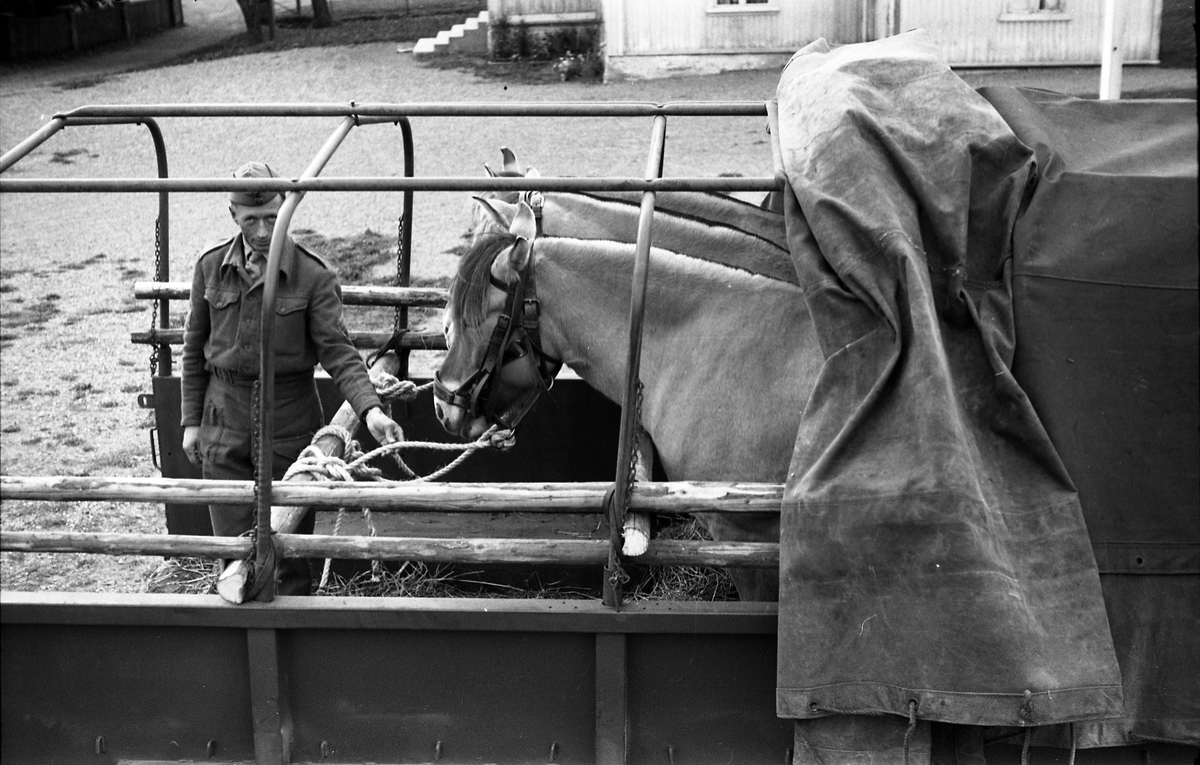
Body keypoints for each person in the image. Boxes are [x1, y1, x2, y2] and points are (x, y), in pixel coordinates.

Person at [181, 161, 404, 595]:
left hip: (289, 422)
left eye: (271, 217)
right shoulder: (209, 268)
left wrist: (371, 410)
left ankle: (295, 643)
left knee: (293, 554)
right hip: (222, 421)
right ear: (233, 215)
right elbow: (194, 351)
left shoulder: (313, 275)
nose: (263, 231)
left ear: (286, 208)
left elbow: (338, 352)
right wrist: (191, 423)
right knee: (231, 553)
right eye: (251, 220)